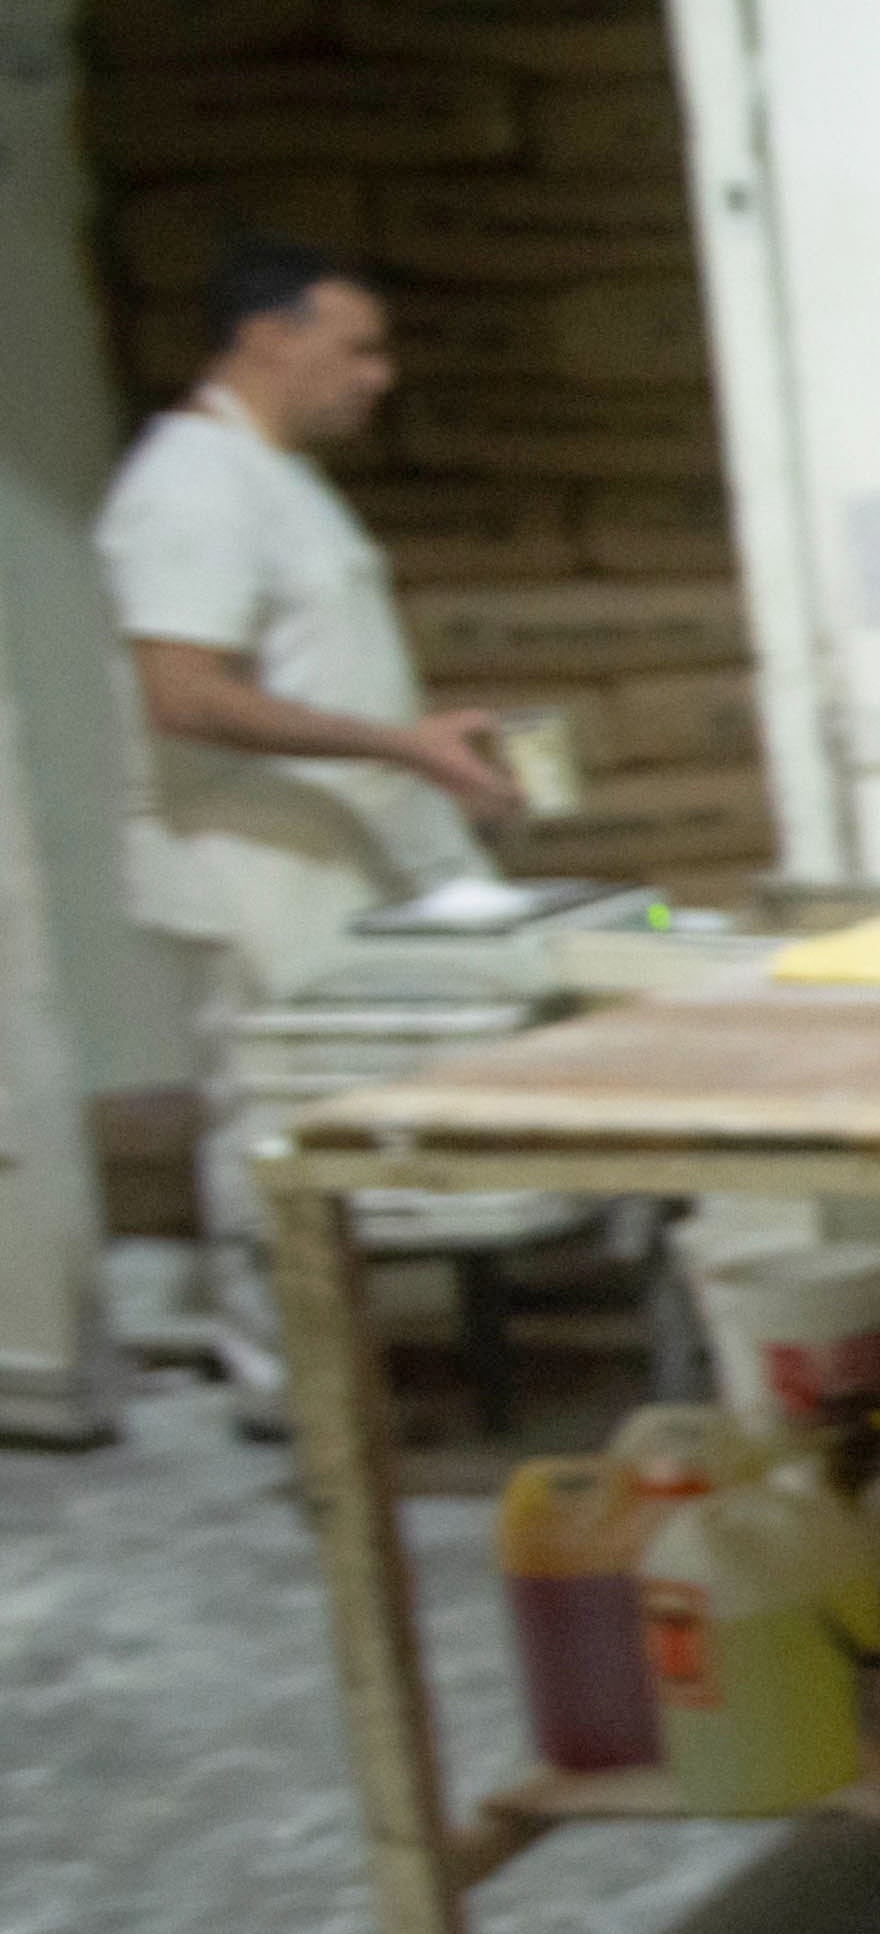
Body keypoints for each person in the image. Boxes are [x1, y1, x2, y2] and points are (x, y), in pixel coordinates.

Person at [97, 237, 526, 1425]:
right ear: (267, 337)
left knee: (339, 1111)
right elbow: (182, 692)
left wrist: (422, 752)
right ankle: (295, 1399)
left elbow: (313, 665)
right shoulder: (190, 486)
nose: (378, 376)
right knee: (275, 1125)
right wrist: (395, 746)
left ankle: (348, 1369)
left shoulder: (275, 476)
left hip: (330, 853)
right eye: (359, 348)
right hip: (250, 863)